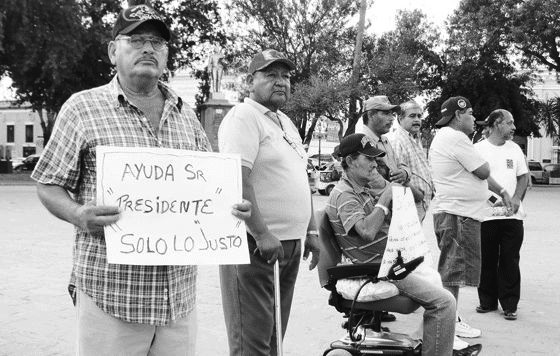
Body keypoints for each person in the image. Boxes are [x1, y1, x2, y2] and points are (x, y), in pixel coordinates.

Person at [31, 3, 251, 355]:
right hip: (112, 297)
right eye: (136, 40)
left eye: (158, 42)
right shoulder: (82, 108)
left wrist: (232, 210)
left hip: (177, 300)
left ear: (165, 55)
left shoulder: (185, 113)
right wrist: (77, 215)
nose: (149, 48)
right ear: (112, 50)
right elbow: (47, 183)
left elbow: (210, 189)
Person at [218, 49, 320, 356]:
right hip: (256, 245)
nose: (281, 82)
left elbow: (301, 179)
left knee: (275, 337)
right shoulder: (243, 117)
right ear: (250, 81)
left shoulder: (285, 122)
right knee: (253, 343)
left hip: (288, 244)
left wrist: (311, 232)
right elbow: (237, 177)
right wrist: (261, 233)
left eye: (286, 76)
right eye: (270, 74)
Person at [325, 133, 458, 356]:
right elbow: (366, 232)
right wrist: (385, 199)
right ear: (349, 161)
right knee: (444, 303)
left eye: (375, 159)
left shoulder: (363, 188)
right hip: (379, 269)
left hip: (388, 263)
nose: (374, 164)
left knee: (437, 285)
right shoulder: (345, 195)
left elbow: (417, 195)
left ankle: (431, 346)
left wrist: (396, 191)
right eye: (368, 159)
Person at [429, 96, 512, 340]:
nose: (475, 118)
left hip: (456, 214)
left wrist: (500, 193)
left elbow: (473, 177)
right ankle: (446, 330)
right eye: (471, 113)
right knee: (452, 273)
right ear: (458, 115)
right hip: (457, 216)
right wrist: (497, 188)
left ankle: (450, 320)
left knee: (452, 273)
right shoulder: (455, 138)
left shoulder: (445, 137)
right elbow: (483, 170)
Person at [474, 109, 529, 321]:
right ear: (497, 123)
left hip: (512, 217)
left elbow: (523, 177)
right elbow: (476, 179)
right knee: (486, 260)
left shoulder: (515, 149)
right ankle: (487, 302)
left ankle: (509, 305)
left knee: (510, 260)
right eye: (510, 122)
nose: (514, 127)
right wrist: (491, 199)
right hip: (486, 215)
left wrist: (516, 199)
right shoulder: (477, 149)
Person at [387, 100, 434, 221]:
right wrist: (418, 195)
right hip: (411, 203)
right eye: (412, 116)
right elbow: (397, 178)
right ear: (400, 119)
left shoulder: (415, 137)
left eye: (419, 116)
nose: (417, 119)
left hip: (421, 203)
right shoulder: (397, 141)